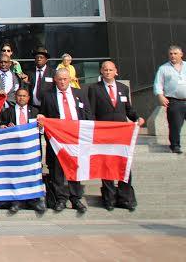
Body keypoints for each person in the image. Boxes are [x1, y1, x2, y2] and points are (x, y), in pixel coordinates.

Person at [89, 61, 143, 211]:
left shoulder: (123, 88)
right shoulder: (94, 88)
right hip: (104, 133)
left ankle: (125, 197)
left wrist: (137, 118)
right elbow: (91, 112)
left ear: (115, 71)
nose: (108, 72)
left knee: (124, 164)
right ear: (101, 71)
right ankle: (109, 198)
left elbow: (128, 109)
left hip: (121, 134)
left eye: (110, 70)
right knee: (107, 165)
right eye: (105, 70)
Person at [37, 68, 91, 213]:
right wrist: (42, 120)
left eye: (65, 79)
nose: (62, 82)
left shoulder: (80, 94)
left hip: (75, 138)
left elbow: (88, 114)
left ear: (70, 79)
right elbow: (44, 115)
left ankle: (75, 198)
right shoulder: (48, 96)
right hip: (57, 139)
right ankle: (60, 199)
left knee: (75, 168)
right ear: (55, 79)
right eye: (59, 79)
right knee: (57, 170)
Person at [0, 88, 47, 214]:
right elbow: (1, 128)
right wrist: (4, 128)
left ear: (28, 98)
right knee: (16, 175)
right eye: (19, 95)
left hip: (32, 151)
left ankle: (34, 200)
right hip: (14, 151)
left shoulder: (35, 111)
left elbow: (42, 131)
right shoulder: (7, 112)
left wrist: (41, 127)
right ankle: (16, 201)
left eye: (24, 96)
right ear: (16, 97)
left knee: (33, 174)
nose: (21, 98)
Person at [153, 45, 186, 154]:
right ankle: (175, 146)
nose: (173, 56)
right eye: (171, 54)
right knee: (175, 125)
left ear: (181, 54)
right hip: (174, 101)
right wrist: (160, 96)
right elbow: (158, 84)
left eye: (175, 53)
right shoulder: (163, 68)